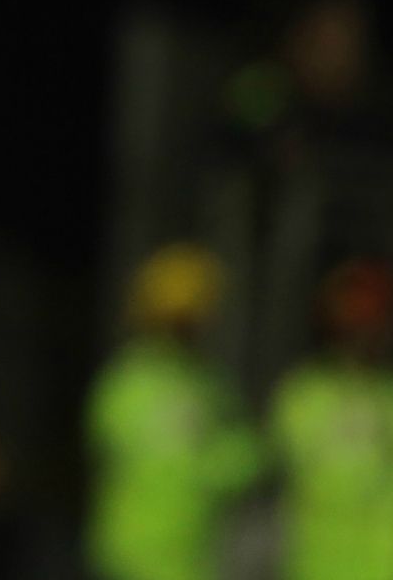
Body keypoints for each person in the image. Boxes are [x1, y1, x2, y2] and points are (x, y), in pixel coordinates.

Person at [84, 242, 261, 580]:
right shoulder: (128, 381)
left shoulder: (208, 383)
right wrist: (220, 464)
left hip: (191, 556)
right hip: (135, 558)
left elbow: (247, 453)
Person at [269, 257, 393, 580]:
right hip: (317, 564)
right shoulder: (305, 393)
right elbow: (296, 458)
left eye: (377, 323)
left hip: (390, 564)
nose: (369, 335)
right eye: (358, 322)